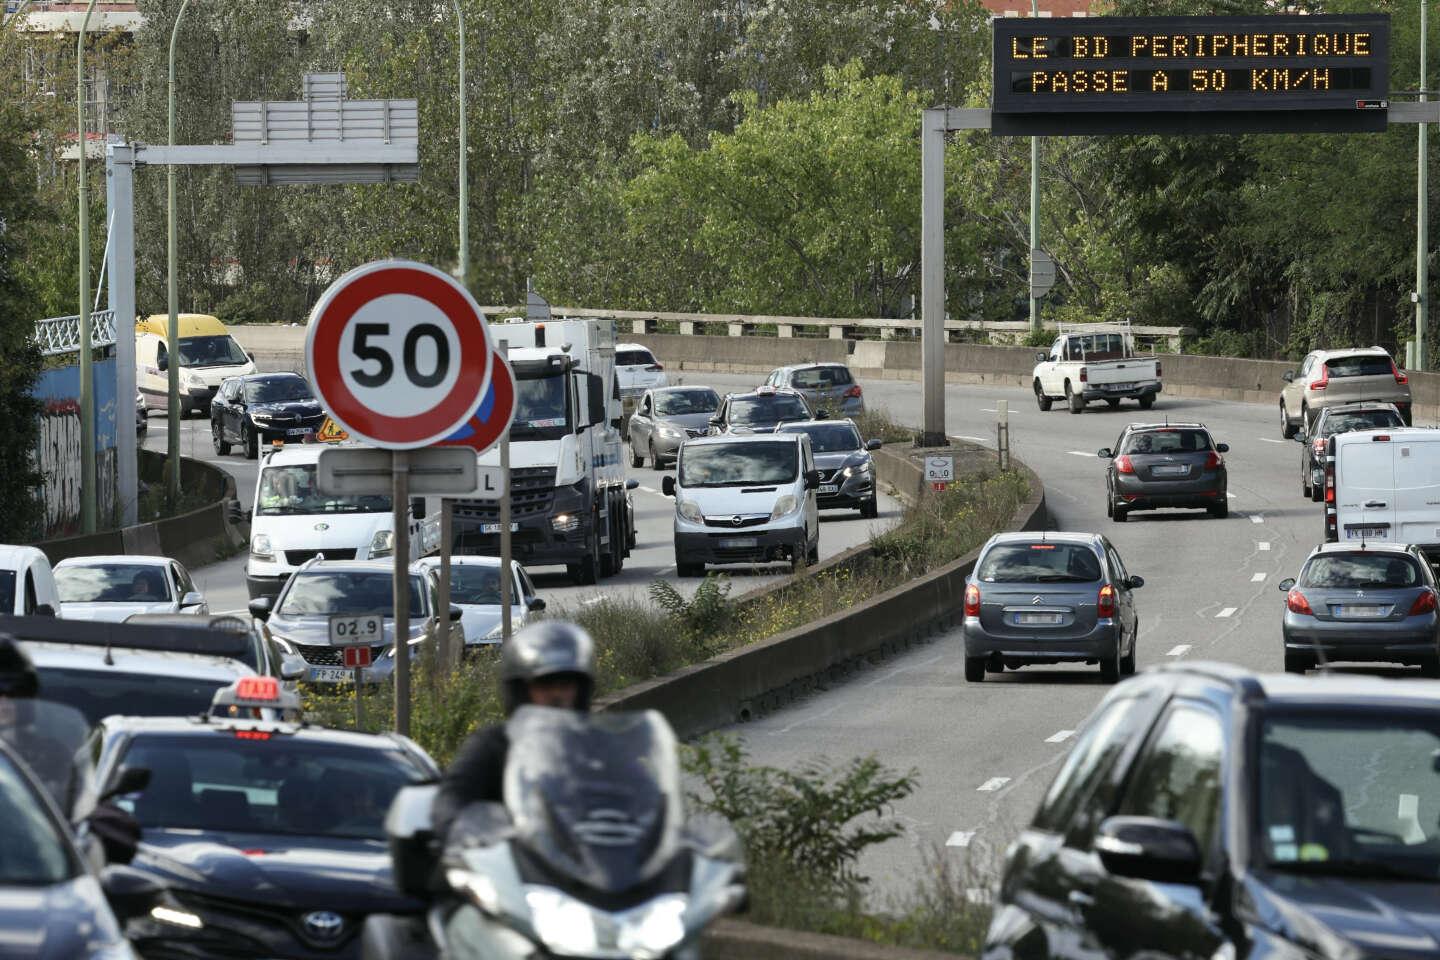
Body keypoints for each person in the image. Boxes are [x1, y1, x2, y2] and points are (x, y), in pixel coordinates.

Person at [431, 621, 595, 839]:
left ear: (580, 690)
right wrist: (469, 831)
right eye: (544, 685)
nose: (556, 694)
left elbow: (641, 796)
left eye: (565, 685)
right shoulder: (494, 746)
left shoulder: (598, 748)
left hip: (586, 864)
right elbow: (451, 800)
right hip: (510, 865)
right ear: (522, 690)